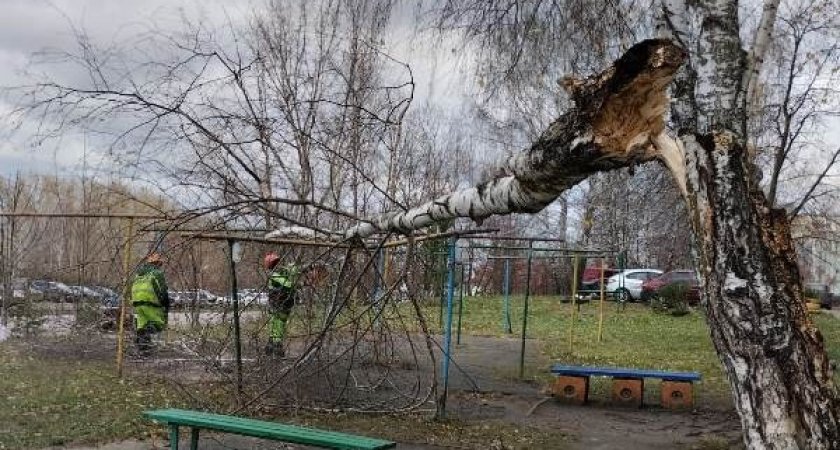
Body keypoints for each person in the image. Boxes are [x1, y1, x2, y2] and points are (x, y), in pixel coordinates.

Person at [131, 252, 170, 357]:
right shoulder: (156, 273)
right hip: (150, 303)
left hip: (137, 304)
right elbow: (162, 291)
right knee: (158, 324)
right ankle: (144, 345)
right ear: (157, 263)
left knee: (141, 326)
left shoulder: (138, 274)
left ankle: (142, 349)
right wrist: (166, 304)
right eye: (159, 264)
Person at [264, 252, 300, 356]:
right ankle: (276, 346)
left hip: (283, 303)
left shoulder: (281, 273)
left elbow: (291, 278)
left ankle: (271, 346)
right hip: (278, 303)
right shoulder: (274, 275)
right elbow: (288, 284)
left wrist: (293, 269)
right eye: (275, 263)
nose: (278, 265)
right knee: (278, 324)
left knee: (277, 324)